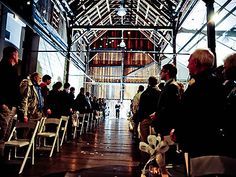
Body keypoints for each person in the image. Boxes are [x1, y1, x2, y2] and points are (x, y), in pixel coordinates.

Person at [176, 48, 225, 177]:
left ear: (196, 63)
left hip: (200, 141)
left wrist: (180, 132)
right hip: (206, 140)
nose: (187, 65)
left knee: (200, 172)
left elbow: (192, 113)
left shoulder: (202, 84)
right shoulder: (215, 82)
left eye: (189, 62)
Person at [0, 46, 20, 142]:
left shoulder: (13, 69)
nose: (18, 57)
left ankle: (3, 154)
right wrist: (2, 103)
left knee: (6, 134)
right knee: (2, 133)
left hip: (10, 106)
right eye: (17, 54)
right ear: (13, 55)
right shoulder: (4, 68)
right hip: (5, 105)